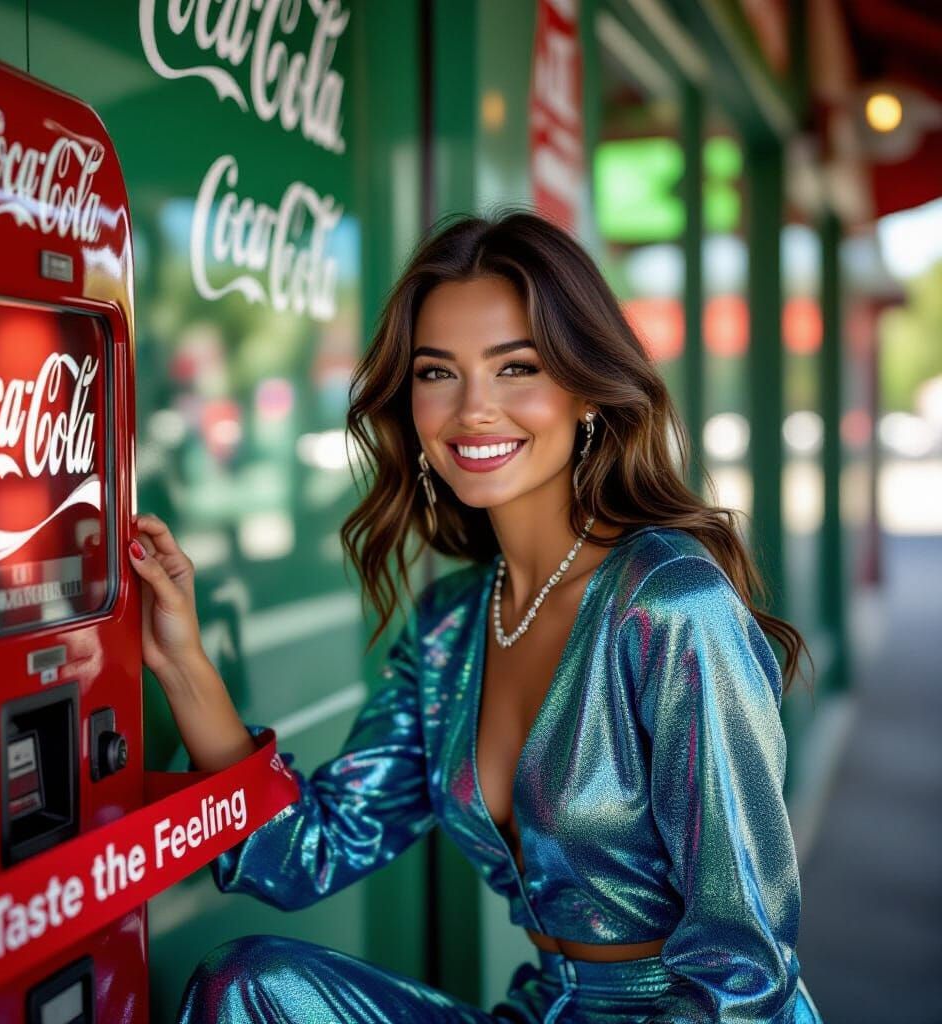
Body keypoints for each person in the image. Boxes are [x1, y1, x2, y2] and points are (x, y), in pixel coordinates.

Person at [129, 211, 824, 1023]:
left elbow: (746, 965)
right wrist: (182, 660)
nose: (473, 410)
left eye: (516, 367)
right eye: (437, 373)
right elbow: (307, 853)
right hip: (540, 1008)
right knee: (244, 986)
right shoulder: (453, 625)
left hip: (693, 1013)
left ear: (585, 389)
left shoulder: (671, 604)